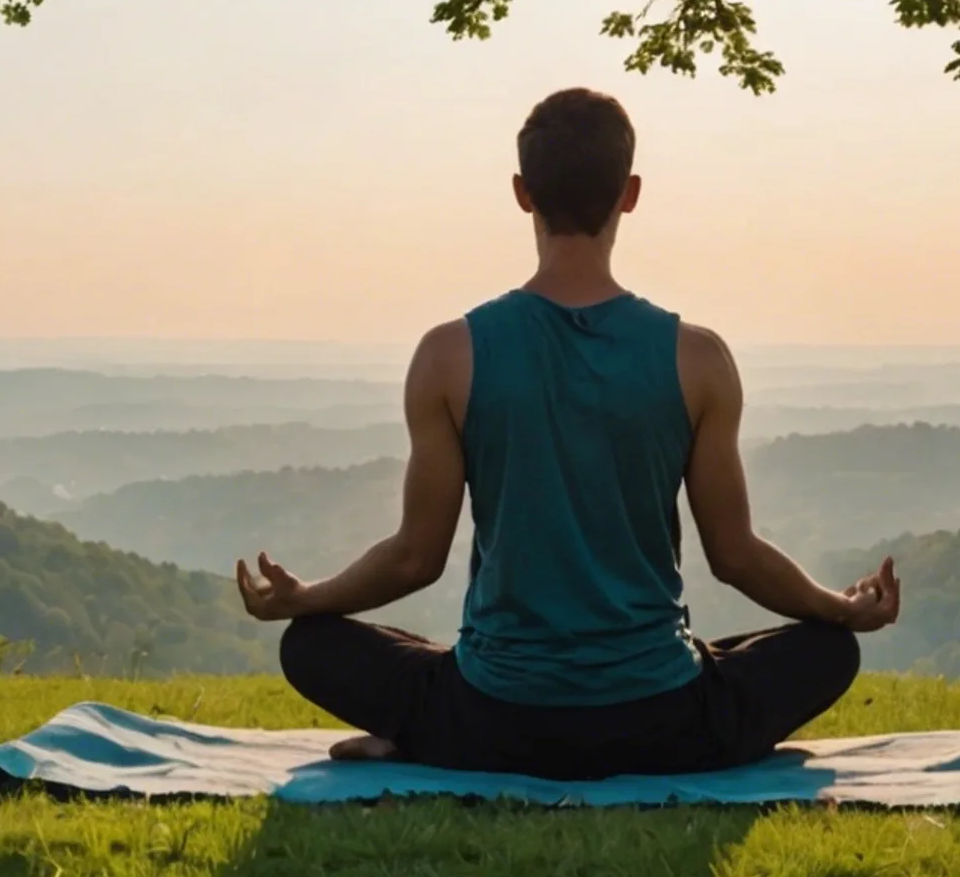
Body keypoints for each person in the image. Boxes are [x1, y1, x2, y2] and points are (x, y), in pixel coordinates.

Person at [233, 87, 900, 779]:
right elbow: (734, 555)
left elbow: (413, 558)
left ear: (523, 193)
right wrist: (840, 608)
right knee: (827, 650)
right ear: (630, 192)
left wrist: (304, 599)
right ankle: (705, 737)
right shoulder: (698, 358)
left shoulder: (449, 354)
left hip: (494, 717)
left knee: (309, 644)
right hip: (663, 719)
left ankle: (427, 735)